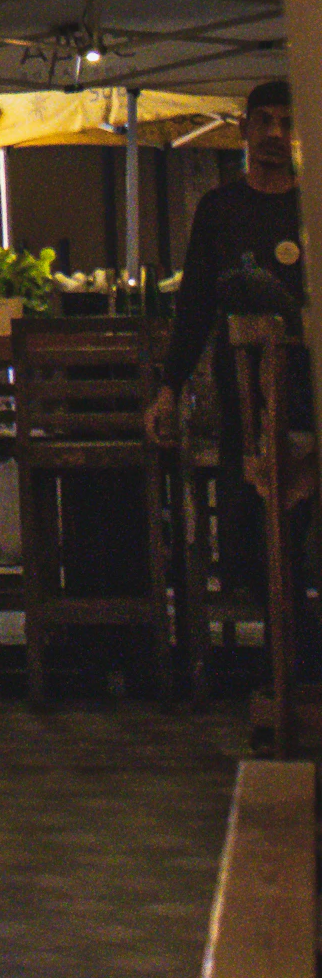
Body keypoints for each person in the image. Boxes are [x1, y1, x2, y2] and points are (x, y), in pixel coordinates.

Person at [147, 79, 316, 658]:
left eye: (285, 122)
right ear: (242, 129)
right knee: (252, 534)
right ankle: (280, 662)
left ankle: (302, 663)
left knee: (305, 532)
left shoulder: (311, 205)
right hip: (243, 396)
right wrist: (168, 387)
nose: (274, 133)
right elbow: (195, 305)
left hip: (309, 395)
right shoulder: (220, 208)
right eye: (263, 120)